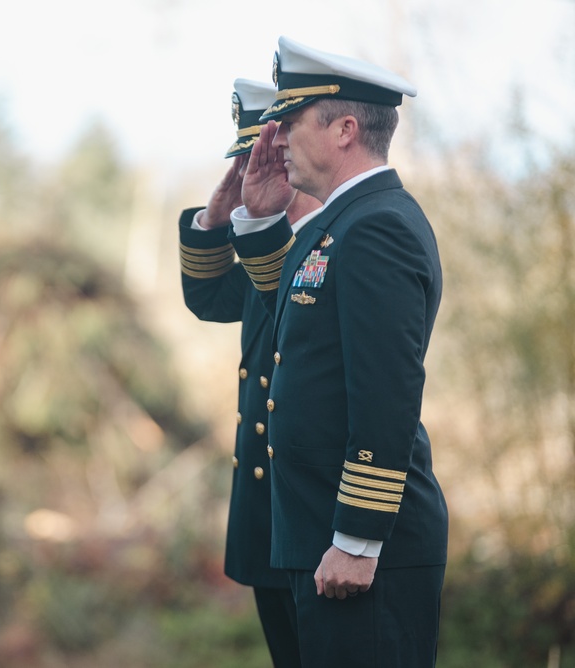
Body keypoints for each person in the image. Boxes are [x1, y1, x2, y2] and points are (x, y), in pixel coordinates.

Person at [228, 36, 448, 667]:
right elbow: (293, 321)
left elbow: (387, 394)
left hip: (359, 547)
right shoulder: (338, 222)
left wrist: (357, 537)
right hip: (320, 538)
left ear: (345, 129)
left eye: (291, 121)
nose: (275, 137)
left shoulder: (376, 225)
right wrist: (260, 220)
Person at [178, 78, 320, 667]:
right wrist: (216, 216)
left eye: (256, 159)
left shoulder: (325, 246)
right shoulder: (270, 246)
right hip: (268, 512)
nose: (247, 178)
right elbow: (210, 301)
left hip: (314, 516)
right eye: (241, 163)